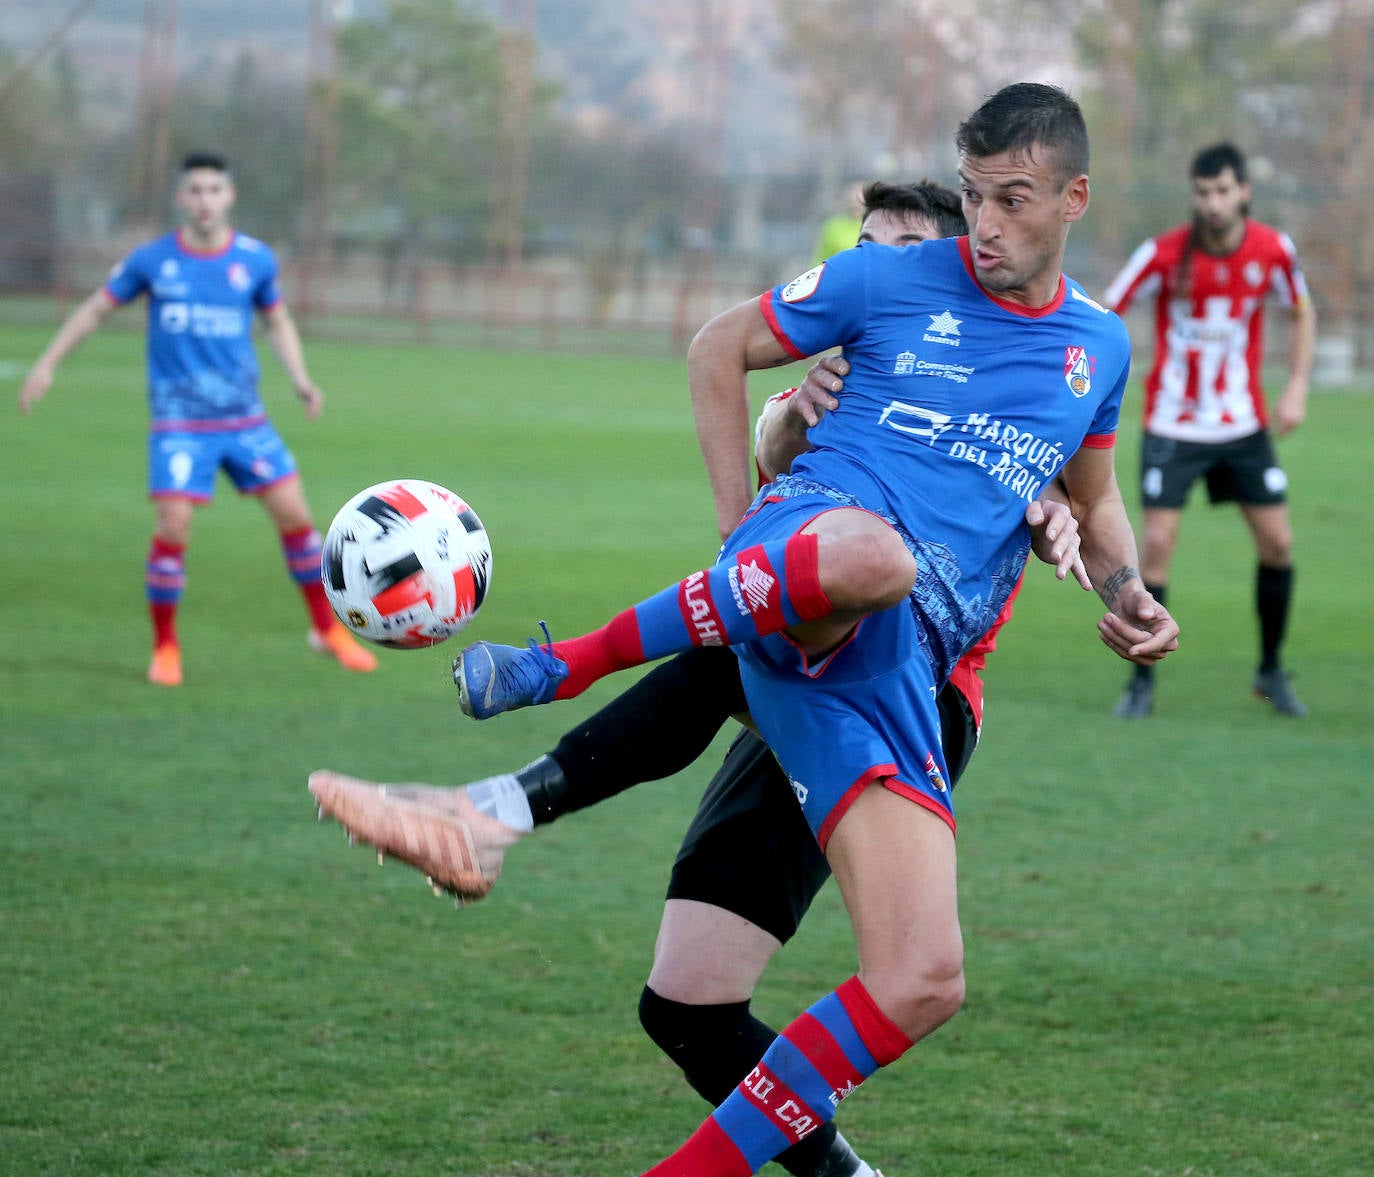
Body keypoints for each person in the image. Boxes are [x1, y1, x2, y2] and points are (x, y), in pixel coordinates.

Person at [361, 84, 1178, 1175]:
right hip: (808, 553)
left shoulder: (1097, 348)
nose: (985, 222)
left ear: (1074, 198)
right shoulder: (887, 279)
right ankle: (545, 690)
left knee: (919, 977)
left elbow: (1097, 493)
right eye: (974, 195)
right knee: (871, 559)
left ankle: (501, 819)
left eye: (1012, 199)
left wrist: (1126, 589)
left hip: (906, 670)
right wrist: (736, 529)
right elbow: (717, 345)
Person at [18, 151, 376, 686]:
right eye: (195, 190)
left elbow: (276, 321)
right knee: (174, 526)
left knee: (298, 520)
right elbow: (96, 308)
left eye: (214, 190)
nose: (204, 200)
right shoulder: (152, 261)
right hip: (179, 421)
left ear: (228, 196)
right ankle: (165, 647)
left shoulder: (255, 260)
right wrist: (46, 365)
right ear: (180, 198)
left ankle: (327, 630)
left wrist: (300, 378)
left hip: (245, 420)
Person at [1104, 141, 1316, 719]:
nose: (1213, 203)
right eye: (1202, 193)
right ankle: (1141, 682)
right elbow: (1105, 312)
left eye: (1222, 191)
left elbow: (1302, 309)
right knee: (1157, 548)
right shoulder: (1164, 253)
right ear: (1193, 196)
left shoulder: (1273, 250)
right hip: (1173, 422)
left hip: (1242, 424)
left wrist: (1296, 384)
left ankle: (1270, 669)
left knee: (1278, 542)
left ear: (1243, 191)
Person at [812, 180, 866, 264]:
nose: (855, 206)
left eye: (858, 205)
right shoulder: (833, 227)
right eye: (851, 203)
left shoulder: (873, 226)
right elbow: (821, 258)